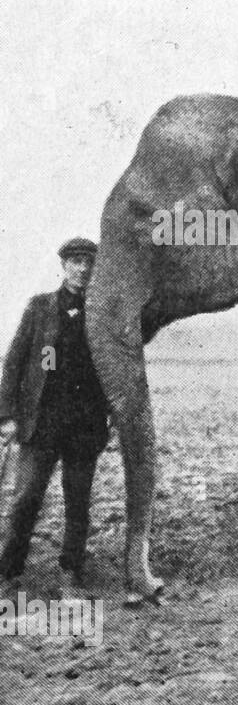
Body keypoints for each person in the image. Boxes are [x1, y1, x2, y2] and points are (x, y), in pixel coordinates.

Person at [0, 238, 112, 592]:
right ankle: (9, 568)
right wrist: (5, 416)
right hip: (42, 423)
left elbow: (115, 368)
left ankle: (70, 570)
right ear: (64, 266)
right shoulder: (40, 308)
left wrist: (111, 415)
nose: (82, 268)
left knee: (78, 502)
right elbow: (14, 361)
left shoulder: (103, 313)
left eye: (88, 262)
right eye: (76, 261)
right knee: (26, 498)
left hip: (84, 424)